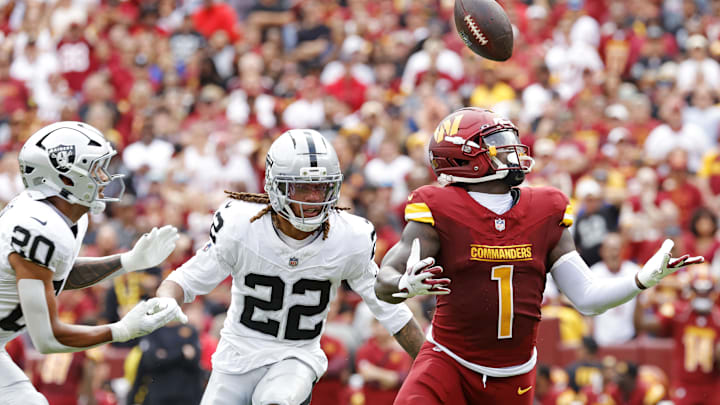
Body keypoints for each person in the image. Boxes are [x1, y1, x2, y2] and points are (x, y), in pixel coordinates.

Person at [374, 107, 703, 405]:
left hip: (514, 376)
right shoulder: (439, 207)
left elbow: (587, 298)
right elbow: (383, 281)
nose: (511, 151)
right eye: (496, 144)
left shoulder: (544, 209)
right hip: (447, 363)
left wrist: (640, 280)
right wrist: (404, 284)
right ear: (465, 158)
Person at [153, 129, 424, 405]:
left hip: (296, 356)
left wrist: (432, 366)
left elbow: (392, 313)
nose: (313, 198)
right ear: (275, 186)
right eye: (302, 187)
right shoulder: (241, 227)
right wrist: (166, 301)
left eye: (321, 187)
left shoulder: (349, 238)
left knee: (278, 400)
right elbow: (183, 280)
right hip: (236, 358)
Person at [0, 121, 185, 405]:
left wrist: (128, 261)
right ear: (64, 177)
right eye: (94, 168)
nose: (104, 177)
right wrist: (121, 330)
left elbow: (60, 274)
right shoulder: (39, 226)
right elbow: (47, 338)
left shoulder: (68, 216)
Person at [634, 265, 720, 405]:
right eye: (698, 291)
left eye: (706, 291)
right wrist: (639, 296)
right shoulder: (678, 312)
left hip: (713, 387)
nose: (702, 296)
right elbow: (642, 325)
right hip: (685, 386)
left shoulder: (718, 318)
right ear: (689, 290)